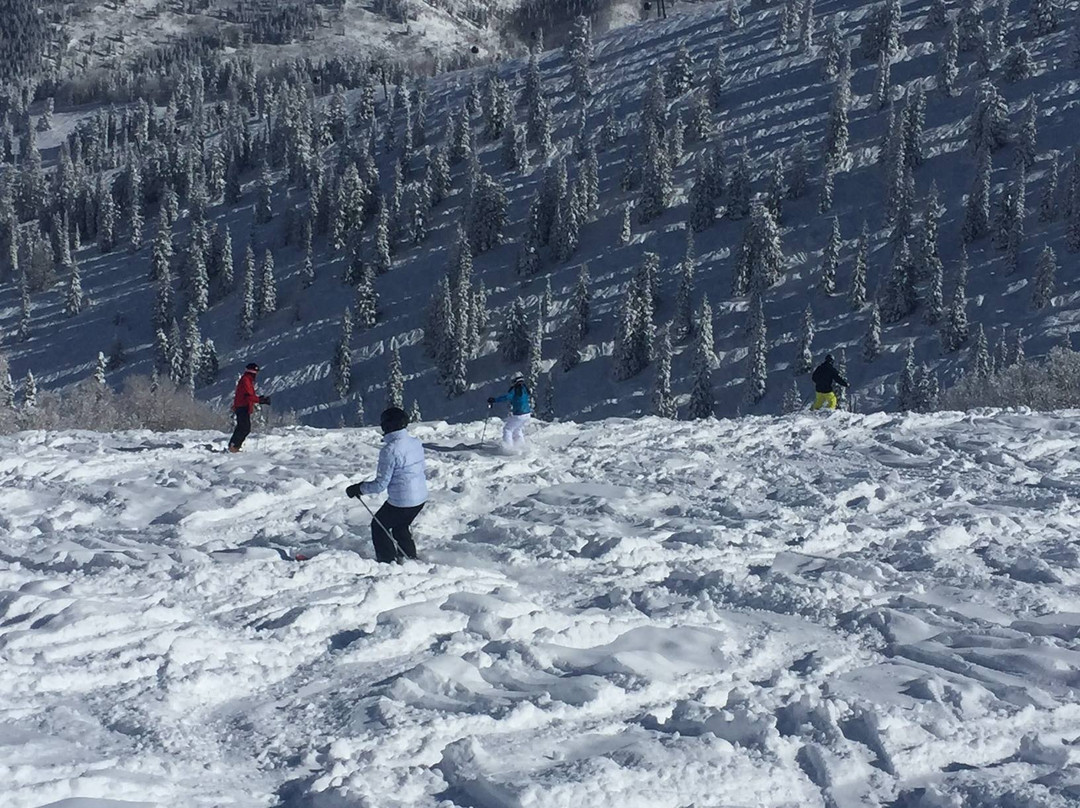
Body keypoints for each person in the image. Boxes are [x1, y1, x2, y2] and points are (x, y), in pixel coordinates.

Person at [346, 407, 428, 563]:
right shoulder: (415, 442)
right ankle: (409, 556)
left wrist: (358, 488)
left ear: (387, 426)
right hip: (420, 498)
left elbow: (380, 485)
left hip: (402, 501)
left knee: (379, 525)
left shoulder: (390, 450)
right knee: (400, 526)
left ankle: (387, 561)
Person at [229, 363, 271, 452]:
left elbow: (248, 395)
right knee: (245, 428)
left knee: (242, 427)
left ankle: (234, 446)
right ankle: (234, 446)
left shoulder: (247, 380)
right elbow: (248, 396)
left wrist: (259, 399)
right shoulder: (246, 380)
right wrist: (260, 400)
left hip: (243, 406)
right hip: (242, 406)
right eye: (256, 372)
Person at [487, 373, 531, 448]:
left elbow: (507, 397)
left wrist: (495, 400)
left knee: (507, 429)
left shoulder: (515, 389)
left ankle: (508, 448)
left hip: (519, 414)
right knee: (517, 429)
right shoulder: (524, 388)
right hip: (527, 414)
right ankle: (521, 446)